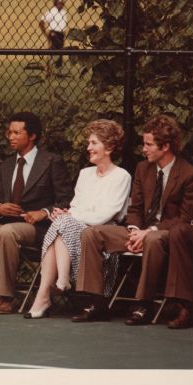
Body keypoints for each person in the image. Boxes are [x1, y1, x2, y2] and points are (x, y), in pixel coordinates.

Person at [73, 114, 193, 328]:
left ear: (165, 146)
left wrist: (148, 232)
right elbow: (135, 207)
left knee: (153, 240)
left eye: (148, 145)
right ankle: (96, 301)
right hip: (140, 230)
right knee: (92, 233)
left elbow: (184, 218)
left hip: (166, 232)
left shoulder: (188, 173)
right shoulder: (143, 168)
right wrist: (134, 229)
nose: (144, 149)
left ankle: (144, 304)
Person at [0, 112, 74, 314]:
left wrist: (44, 212)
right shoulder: (6, 165)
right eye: (9, 132)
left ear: (32, 136)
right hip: (6, 225)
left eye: (16, 133)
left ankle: (5, 296)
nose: (10, 137)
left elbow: (67, 200)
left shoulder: (51, 161)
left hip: (39, 229)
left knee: (8, 232)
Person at [24, 119, 131, 319]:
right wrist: (68, 215)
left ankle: (49, 291)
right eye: (88, 143)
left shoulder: (121, 176)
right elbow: (75, 206)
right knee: (62, 221)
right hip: (76, 229)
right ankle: (58, 284)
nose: (88, 148)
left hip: (103, 232)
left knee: (62, 222)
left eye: (93, 143)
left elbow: (104, 216)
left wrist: (69, 216)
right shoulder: (85, 173)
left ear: (109, 148)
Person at [39, 0, 67, 68]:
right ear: (56, 4)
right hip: (54, 34)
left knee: (60, 52)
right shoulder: (52, 12)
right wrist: (46, 33)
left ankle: (57, 70)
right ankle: (48, 68)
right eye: (60, 3)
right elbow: (42, 22)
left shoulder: (63, 12)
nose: (61, 4)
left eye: (62, 3)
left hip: (61, 35)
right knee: (52, 51)